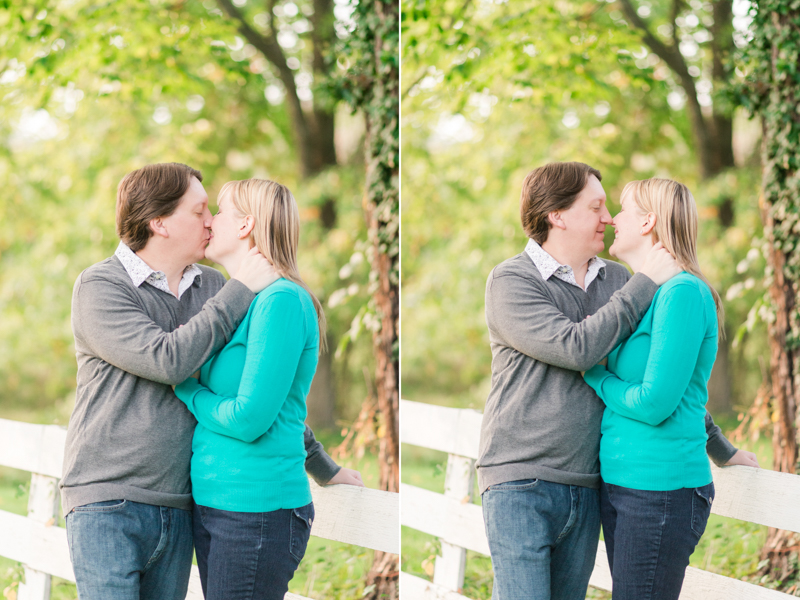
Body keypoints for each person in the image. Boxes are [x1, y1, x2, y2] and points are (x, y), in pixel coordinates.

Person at [61, 163, 362, 600]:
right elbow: (168, 362)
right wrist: (239, 288)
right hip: (109, 501)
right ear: (159, 222)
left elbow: (260, 394)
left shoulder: (215, 287)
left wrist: (321, 464)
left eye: (214, 211)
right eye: (200, 210)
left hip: (182, 503)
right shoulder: (102, 286)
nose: (209, 220)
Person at [478, 162, 758, 600]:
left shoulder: (619, 281)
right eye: (596, 207)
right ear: (558, 215)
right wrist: (646, 280)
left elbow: (660, 378)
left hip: (589, 483)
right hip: (521, 483)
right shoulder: (512, 280)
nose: (608, 218)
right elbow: (576, 348)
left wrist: (721, 447)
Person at [173, 178, 326, 599]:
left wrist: (185, 386)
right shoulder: (240, 300)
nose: (210, 222)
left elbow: (250, 419)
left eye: (220, 212)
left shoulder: (281, 301)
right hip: (216, 504)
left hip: (255, 512)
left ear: (246, 226)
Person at [582, 178, 726, 599]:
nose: (612, 219)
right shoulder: (645, 291)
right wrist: (726, 450)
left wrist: (595, 375)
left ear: (648, 221)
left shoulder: (682, 293)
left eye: (623, 210)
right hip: (622, 483)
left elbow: (656, 403)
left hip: (660, 491)